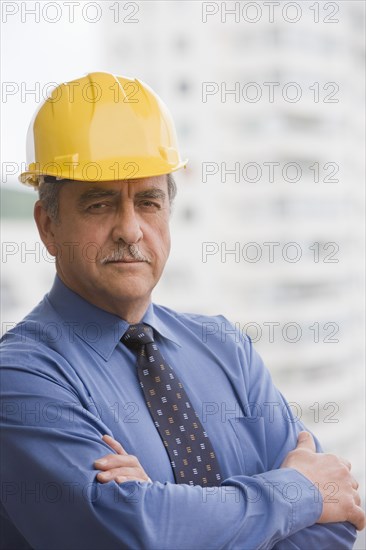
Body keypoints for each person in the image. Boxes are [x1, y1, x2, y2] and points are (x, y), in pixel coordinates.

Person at [0, 71, 364, 550]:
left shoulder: (224, 346)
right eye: (99, 204)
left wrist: (164, 508)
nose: (129, 230)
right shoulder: (22, 376)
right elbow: (127, 535)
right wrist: (296, 493)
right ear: (48, 225)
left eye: (148, 202)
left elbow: (336, 521)